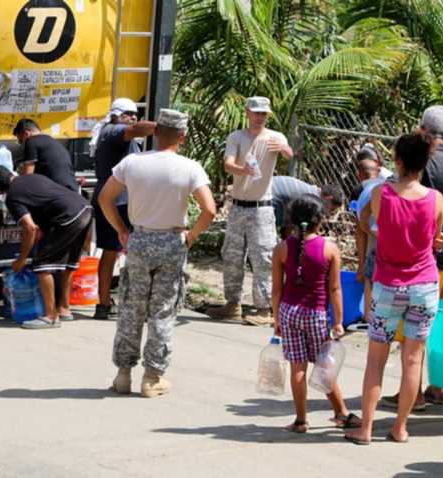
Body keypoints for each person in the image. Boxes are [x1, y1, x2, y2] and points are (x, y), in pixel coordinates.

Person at [99, 108, 216, 397]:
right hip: (172, 242)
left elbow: (105, 198)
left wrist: (121, 229)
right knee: (162, 311)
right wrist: (190, 237)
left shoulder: (132, 162)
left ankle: (123, 374)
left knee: (131, 307)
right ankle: (152, 378)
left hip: (139, 239)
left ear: (155, 131)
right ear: (182, 136)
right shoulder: (190, 167)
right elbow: (209, 210)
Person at [345, 133, 443, 445]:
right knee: (413, 360)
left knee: (376, 360)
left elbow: (363, 222)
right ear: (424, 163)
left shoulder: (380, 194)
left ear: (398, 162)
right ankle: (400, 427)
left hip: (388, 286)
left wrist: (381, 229)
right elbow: (435, 238)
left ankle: (366, 429)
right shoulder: (435, 199)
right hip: (425, 285)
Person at [382, 105, 443, 408]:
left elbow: (413, 206)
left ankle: (414, 393)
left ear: (423, 131)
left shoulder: (422, 165)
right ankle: (437, 387)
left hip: (425, 260)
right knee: (439, 326)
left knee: (413, 331)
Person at [272, 194, 361, 433]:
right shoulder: (329, 249)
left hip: (289, 312)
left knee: (297, 368)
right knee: (324, 366)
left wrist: (276, 319)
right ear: (320, 220)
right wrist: (339, 322)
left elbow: (277, 290)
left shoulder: (281, 249)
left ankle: (301, 420)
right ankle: (341, 413)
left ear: (291, 220)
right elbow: (335, 289)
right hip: (316, 314)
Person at [207, 96, 293, 326]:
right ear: (247, 113)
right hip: (238, 205)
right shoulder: (237, 137)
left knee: (264, 257)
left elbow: (290, 155)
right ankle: (232, 304)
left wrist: (284, 148)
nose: (259, 117)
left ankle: (264, 309)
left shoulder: (275, 137)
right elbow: (228, 163)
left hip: (261, 207)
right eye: (256, 113)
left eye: (263, 114)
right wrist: (241, 169)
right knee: (232, 255)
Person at [0, 167, 93, 329]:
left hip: (68, 215)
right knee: (68, 264)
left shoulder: (13, 196)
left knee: (42, 265)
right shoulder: (32, 177)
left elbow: (29, 228)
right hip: (84, 207)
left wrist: (22, 259)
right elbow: (46, 205)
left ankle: (51, 317)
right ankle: (64, 309)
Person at [91, 98, 157, 320]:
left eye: (135, 113)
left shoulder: (115, 133)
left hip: (122, 201)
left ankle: (108, 302)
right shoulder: (113, 130)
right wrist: (165, 128)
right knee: (112, 253)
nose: (133, 117)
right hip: (114, 202)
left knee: (118, 253)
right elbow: (136, 129)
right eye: (128, 113)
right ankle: (104, 304)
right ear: (115, 115)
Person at [354, 158, 386, 324]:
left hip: (375, 231)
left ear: (359, 175)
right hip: (390, 231)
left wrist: (361, 264)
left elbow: (360, 229)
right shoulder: (390, 179)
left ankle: (368, 316)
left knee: (370, 272)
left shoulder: (362, 190)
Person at [12, 119, 77, 192]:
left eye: (21, 141)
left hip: (56, 193)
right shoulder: (53, 142)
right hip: (72, 191)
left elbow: (27, 177)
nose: (22, 144)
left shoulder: (31, 141)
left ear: (26, 133)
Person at [271, 176, 344, 238]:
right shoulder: (311, 202)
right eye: (331, 209)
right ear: (328, 199)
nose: (328, 214)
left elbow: (289, 229)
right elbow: (290, 232)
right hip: (264, 204)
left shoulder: (310, 192)